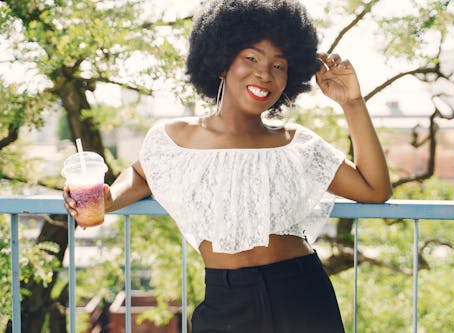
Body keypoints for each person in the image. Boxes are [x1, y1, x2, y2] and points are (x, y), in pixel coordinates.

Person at [64, 0, 392, 332]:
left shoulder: (298, 144)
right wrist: (108, 199)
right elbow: (141, 173)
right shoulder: (173, 139)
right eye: (251, 58)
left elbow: (374, 189)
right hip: (225, 302)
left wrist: (352, 103)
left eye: (279, 65)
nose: (264, 73)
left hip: (302, 296)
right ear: (221, 62)